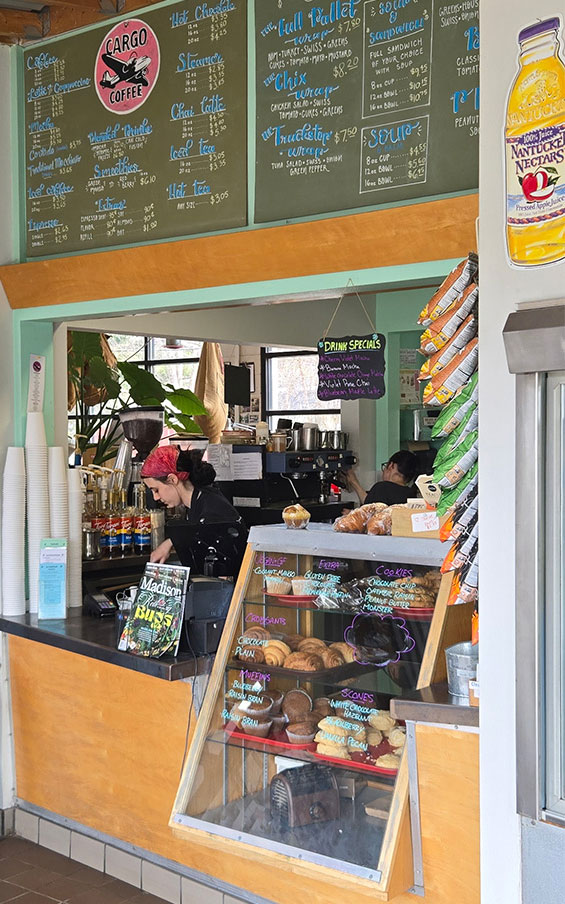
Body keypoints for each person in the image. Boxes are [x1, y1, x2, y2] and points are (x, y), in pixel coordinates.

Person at [141, 445, 242, 563]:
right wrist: (171, 541)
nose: (156, 497)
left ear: (173, 479)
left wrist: (170, 542)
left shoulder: (211, 508)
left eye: (156, 490)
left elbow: (223, 569)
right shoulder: (198, 500)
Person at [344, 450, 419, 507]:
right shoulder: (411, 494)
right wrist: (353, 481)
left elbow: (368, 510)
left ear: (391, 466)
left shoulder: (382, 488)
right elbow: (369, 501)